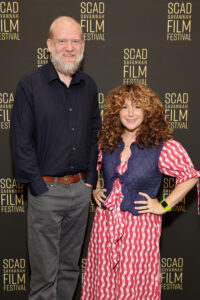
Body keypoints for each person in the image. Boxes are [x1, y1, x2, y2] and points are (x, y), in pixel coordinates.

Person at [81, 84, 200, 300]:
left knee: (134, 285)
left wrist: (163, 205)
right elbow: (92, 163)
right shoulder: (107, 142)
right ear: (117, 111)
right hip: (105, 225)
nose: (130, 113)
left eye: (137, 106)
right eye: (124, 107)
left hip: (141, 229)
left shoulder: (162, 146)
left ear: (148, 111)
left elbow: (190, 176)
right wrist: (97, 189)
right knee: (104, 281)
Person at [11, 16, 101, 300]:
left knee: (69, 269)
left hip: (79, 191)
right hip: (45, 192)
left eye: (75, 41)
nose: (69, 47)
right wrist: (38, 186)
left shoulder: (89, 86)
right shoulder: (30, 84)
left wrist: (89, 181)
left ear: (83, 45)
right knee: (44, 276)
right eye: (62, 41)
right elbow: (21, 140)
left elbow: (94, 134)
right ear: (49, 45)